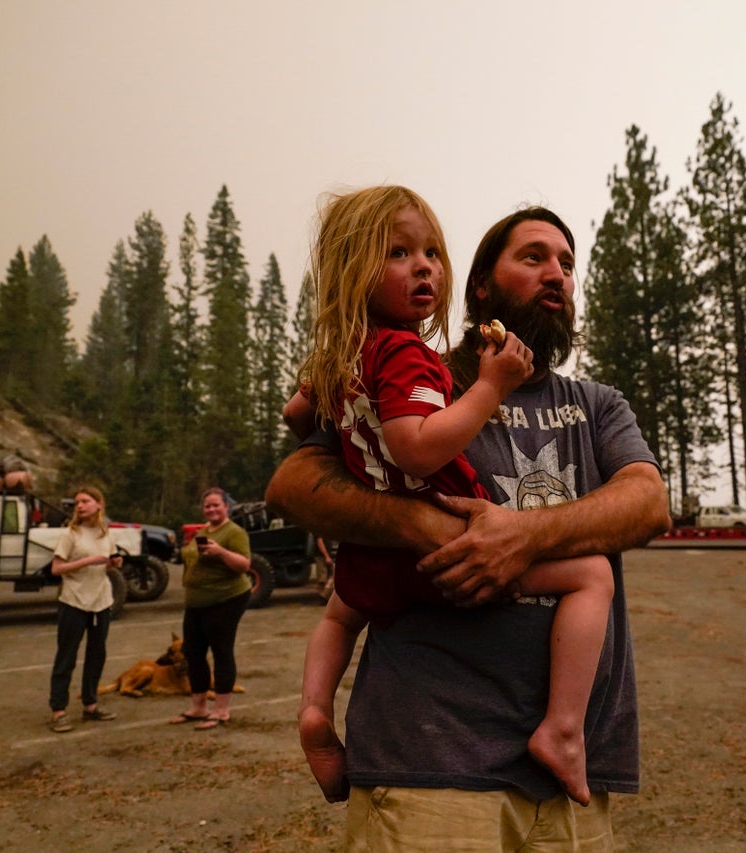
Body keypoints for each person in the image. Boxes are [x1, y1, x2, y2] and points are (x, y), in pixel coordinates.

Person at [267, 206, 670, 849]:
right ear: (479, 284)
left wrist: (524, 535)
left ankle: (558, 727)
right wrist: (422, 525)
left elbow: (648, 504)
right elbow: (291, 484)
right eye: (534, 257)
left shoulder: (596, 405)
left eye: (567, 263)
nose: (557, 274)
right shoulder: (414, 376)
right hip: (430, 760)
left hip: (573, 776)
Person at [169, 487, 253, 730]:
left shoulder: (234, 532)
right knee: (193, 653)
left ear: (226, 506)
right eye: (207, 506)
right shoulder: (202, 532)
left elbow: (244, 565)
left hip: (226, 599)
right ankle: (199, 707)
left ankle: (221, 710)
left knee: (221, 651)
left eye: (216, 505)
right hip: (196, 602)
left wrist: (220, 552)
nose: (212, 509)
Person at [48, 486, 122, 734]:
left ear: (99, 505)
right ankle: (58, 711)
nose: (80, 506)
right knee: (67, 656)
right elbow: (56, 569)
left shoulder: (105, 533)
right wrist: (88, 561)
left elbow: (108, 565)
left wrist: (113, 563)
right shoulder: (71, 534)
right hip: (74, 601)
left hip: (100, 601)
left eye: (86, 501)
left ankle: (90, 705)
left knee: (96, 654)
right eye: (77, 502)